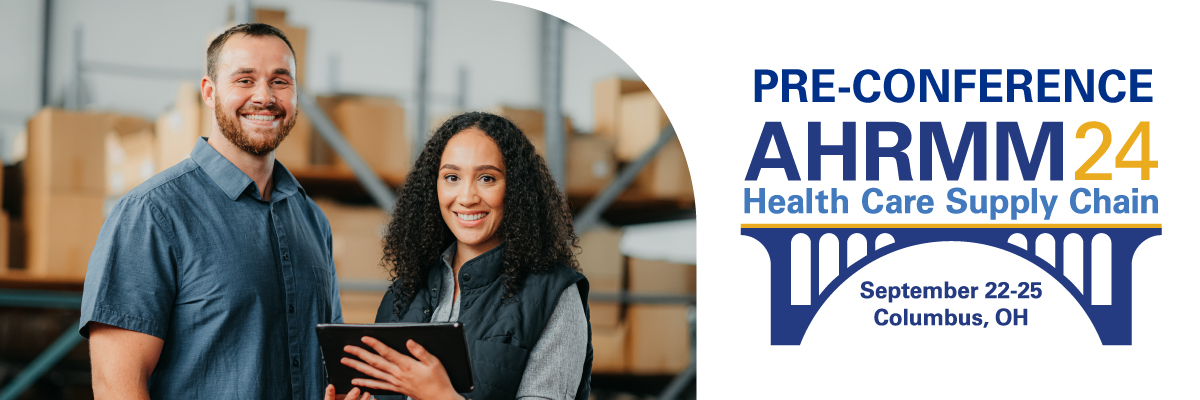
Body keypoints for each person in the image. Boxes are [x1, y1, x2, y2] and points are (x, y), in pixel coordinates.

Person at [79, 23, 344, 399]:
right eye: (245, 80)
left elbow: (327, 363)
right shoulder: (151, 215)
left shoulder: (312, 220)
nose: (264, 96)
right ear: (209, 92)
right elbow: (116, 386)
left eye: (280, 81)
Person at [323, 112, 593, 400]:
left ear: (516, 189)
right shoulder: (404, 292)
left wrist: (441, 396)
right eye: (452, 177)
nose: (466, 197)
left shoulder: (555, 293)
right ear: (433, 187)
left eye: (487, 178)